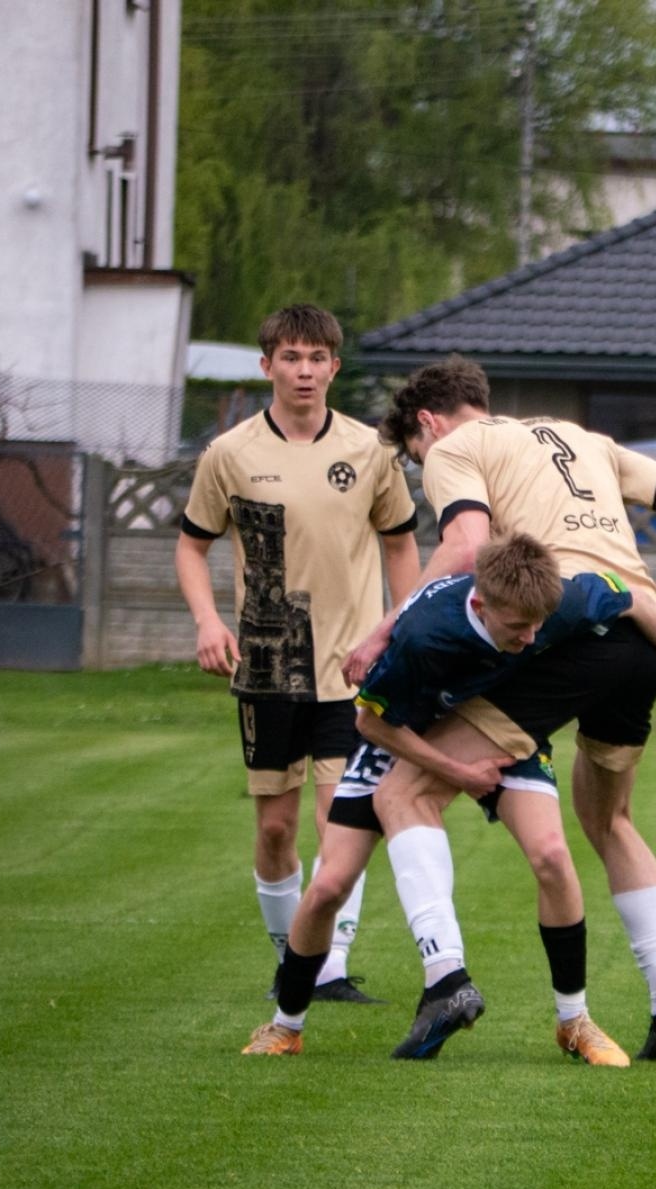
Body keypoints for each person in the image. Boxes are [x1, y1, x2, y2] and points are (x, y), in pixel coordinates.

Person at [351, 354, 656, 1064]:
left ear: (426, 424)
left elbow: (463, 546)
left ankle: (446, 979)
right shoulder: (585, 440)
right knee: (609, 820)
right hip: (642, 641)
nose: (422, 468)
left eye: (413, 456)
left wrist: (384, 629)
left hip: (561, 629)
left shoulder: (455, 448)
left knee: (402, 792)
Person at [241, 533, 656, 1060]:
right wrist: (456, 770)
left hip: (494, 721)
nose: (530, 637)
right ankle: (286, 1026)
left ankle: (574, 1021)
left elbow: (640, 601)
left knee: (553, 857)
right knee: (330, 884)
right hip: (410, 733)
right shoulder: (426, 635)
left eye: (539, 625)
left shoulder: (556, 600)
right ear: (480, 603)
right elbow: (369, 723)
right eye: (518, 627)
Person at [176, 304, 419, 1003]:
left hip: (352, 670)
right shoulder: (229, 454)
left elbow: (401, 542)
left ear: (335, 368)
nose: (304, 371)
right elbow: (192, 545)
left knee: (340, 820)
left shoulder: (372, 451)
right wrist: (206, 621)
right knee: (277, 827)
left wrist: (400, 629)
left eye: (317, 358)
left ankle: (328, 969)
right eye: (291, 357)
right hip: (267, 666)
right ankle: (293, 957)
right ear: (267, 367)